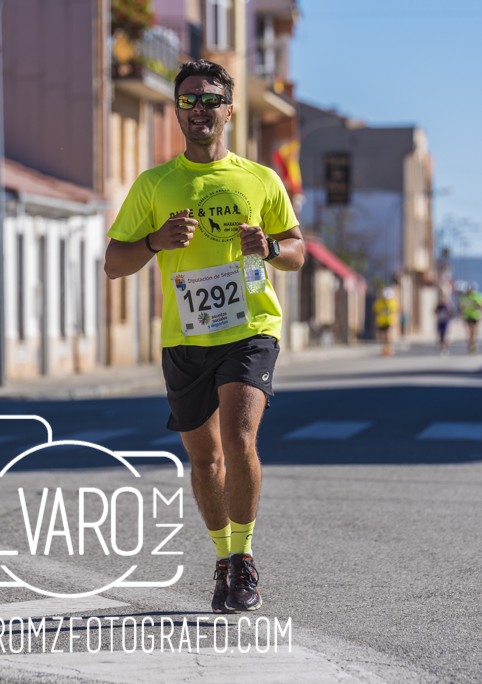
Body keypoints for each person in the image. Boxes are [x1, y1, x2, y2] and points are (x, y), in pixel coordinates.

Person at [104, 60, 304, 613]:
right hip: (186, 338)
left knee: (240, 441)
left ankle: (243, 559)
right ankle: (223, 558)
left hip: (250, 330)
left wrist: (265, 247)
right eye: (189, 100)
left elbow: (298, 253)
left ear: (230, 110)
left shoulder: (261, 179)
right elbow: (113, 264)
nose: (200, 109)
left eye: (211, 99)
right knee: (206, 461)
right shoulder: (155, 185)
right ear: (176, 111)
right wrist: (154, 242)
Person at [459, 284, 482, 353]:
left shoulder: (477, 296)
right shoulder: (464, 296)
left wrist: (477, 305)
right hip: (467, 316)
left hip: (475, 316)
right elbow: (461, 306)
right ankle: (470, 343)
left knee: (474, 330)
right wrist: (462, 309)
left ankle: (474, 342)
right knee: (469, 330)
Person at [374, 288, 398, 357]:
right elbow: (375, 310)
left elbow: (395, 310)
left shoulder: (392, 302)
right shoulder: (379, 302)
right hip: (381, 321)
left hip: (389, 321)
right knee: (382, 336)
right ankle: (384, 349)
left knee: (387, 335)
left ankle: (388, 349)